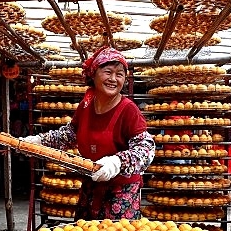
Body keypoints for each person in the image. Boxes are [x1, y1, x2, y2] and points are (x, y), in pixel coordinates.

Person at [23, 46, 155, 219]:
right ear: (94, 74)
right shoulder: (86, 106)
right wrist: (39, 141)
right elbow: (68, 135)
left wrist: (116, 163)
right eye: (108, 72)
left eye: (120, 74)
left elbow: (146, 149)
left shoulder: (128, 110)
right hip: (90, 188)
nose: (113, 79)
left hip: (120, 194)